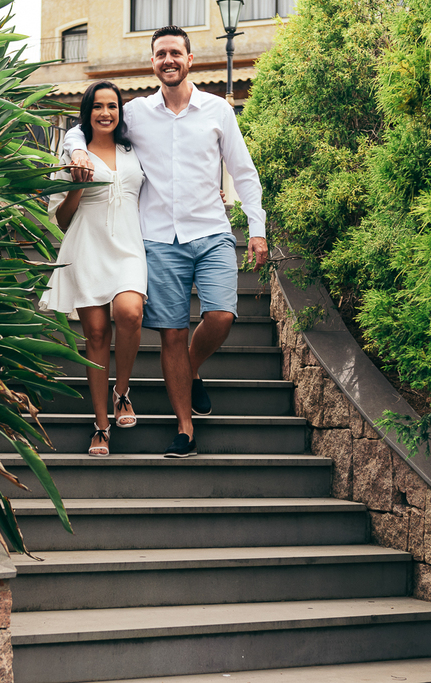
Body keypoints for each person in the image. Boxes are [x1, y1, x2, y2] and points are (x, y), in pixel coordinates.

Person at [63, 25, 268, 459]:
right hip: (157, 237)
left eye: (176, 53)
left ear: (189, 59)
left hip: (211, 231)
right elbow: (88, 125)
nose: (168, 60)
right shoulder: (137, 113)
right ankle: (184, 429)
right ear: (152, 62)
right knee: (171, 333)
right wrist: (76, 149)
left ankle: (189, 369)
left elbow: (244, 171)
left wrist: (257, 228)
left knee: (221, 316)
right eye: (161, 54)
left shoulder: (218, 110)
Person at [40, 81, 146, 457]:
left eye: (112, 106)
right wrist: (77, 186)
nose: (105, 113)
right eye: (98, 106)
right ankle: (101, 424)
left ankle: (122, 392)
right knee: (97, 335)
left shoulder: (134, 149)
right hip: (86, 247)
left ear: (120, 111)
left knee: (130, 313)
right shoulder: (74, 155)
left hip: (129, 246)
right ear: (87, 113)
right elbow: (62, 220)